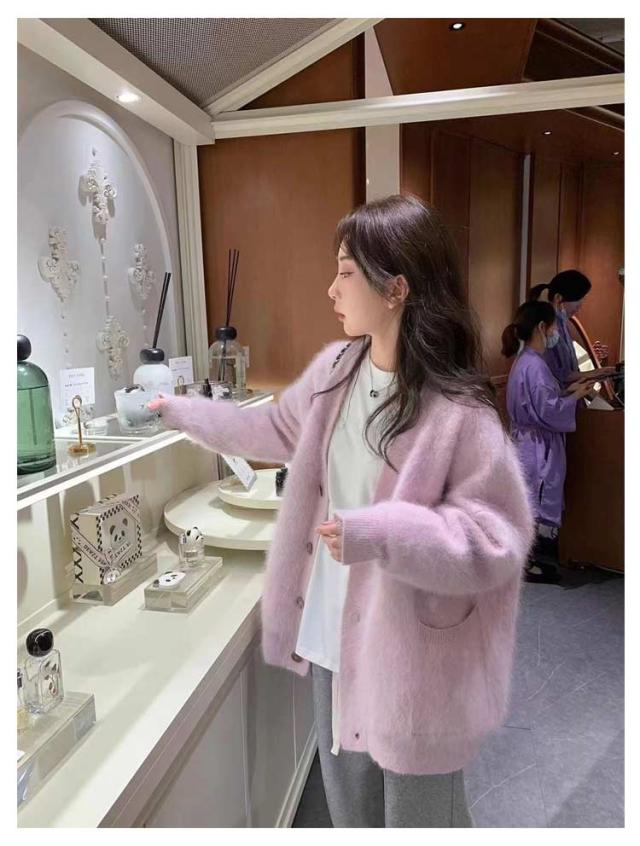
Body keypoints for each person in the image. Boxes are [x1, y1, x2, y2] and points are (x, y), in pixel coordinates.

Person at [150, 195, 534, 828]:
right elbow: (274, 430)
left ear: (397, 290)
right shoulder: (336, 371)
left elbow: (497, 541)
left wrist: (381, 534)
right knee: (351, 814)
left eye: (346, 272)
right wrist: (182, 413)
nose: (331, 289)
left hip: (416, 659)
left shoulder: (458, 411)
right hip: (332, 634)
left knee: (419, 821)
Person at [502, 301, 592, 583]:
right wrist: (575, 396)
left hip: (528, 441)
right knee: (538, 501)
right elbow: (548, 410)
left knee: (530, 499)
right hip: (538, 444)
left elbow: (542, 401)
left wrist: (567, 392)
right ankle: (534, 565)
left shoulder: (526, 362)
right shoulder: (536, 366)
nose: (556, 333)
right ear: (542, 327)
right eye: (554, 327)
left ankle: (529, 562)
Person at [528, 270, 616, 386]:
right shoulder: (549, 328)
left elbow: (568, 369)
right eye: (578, 302)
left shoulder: (564, 323)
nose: (579, 307)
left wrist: (598, 373)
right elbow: (559, 375)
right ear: (558, 298)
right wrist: (596, 373)